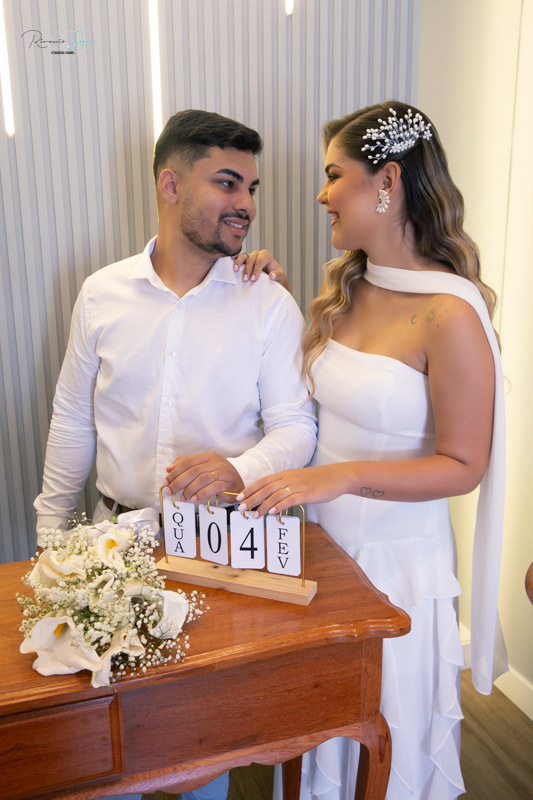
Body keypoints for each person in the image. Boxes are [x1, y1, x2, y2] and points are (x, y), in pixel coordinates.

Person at [34, 109, 317, 800]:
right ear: (170, 184)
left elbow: (296, 427)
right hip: (111, 545)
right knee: (110, 748)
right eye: (227, 183)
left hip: (220, 552)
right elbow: (72, 418)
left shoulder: (267, 303)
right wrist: (49, 537)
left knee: (201, 749)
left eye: (251, 187)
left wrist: (238, 468)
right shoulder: (101, 293)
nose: (246, 204)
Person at [236, 101, 507, 800]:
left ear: (387, 181)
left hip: (396, 564)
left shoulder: (448, 313)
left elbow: (464, 466)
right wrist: (271, 297)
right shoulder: (348, 287)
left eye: (334, 175)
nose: (321, 193)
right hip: (326, 552)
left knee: (379, 741)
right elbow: (324, 401)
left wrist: (338, 478)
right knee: (317, 730)